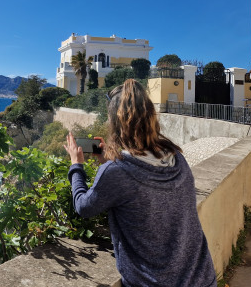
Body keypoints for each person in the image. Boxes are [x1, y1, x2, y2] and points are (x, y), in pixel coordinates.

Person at [64, 79, 216, 287]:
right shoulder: (176, 159)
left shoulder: (117, 171)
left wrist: (76, 165)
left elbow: (83, 206)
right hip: (201, 278)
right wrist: (111, 160)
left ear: (115, 122)